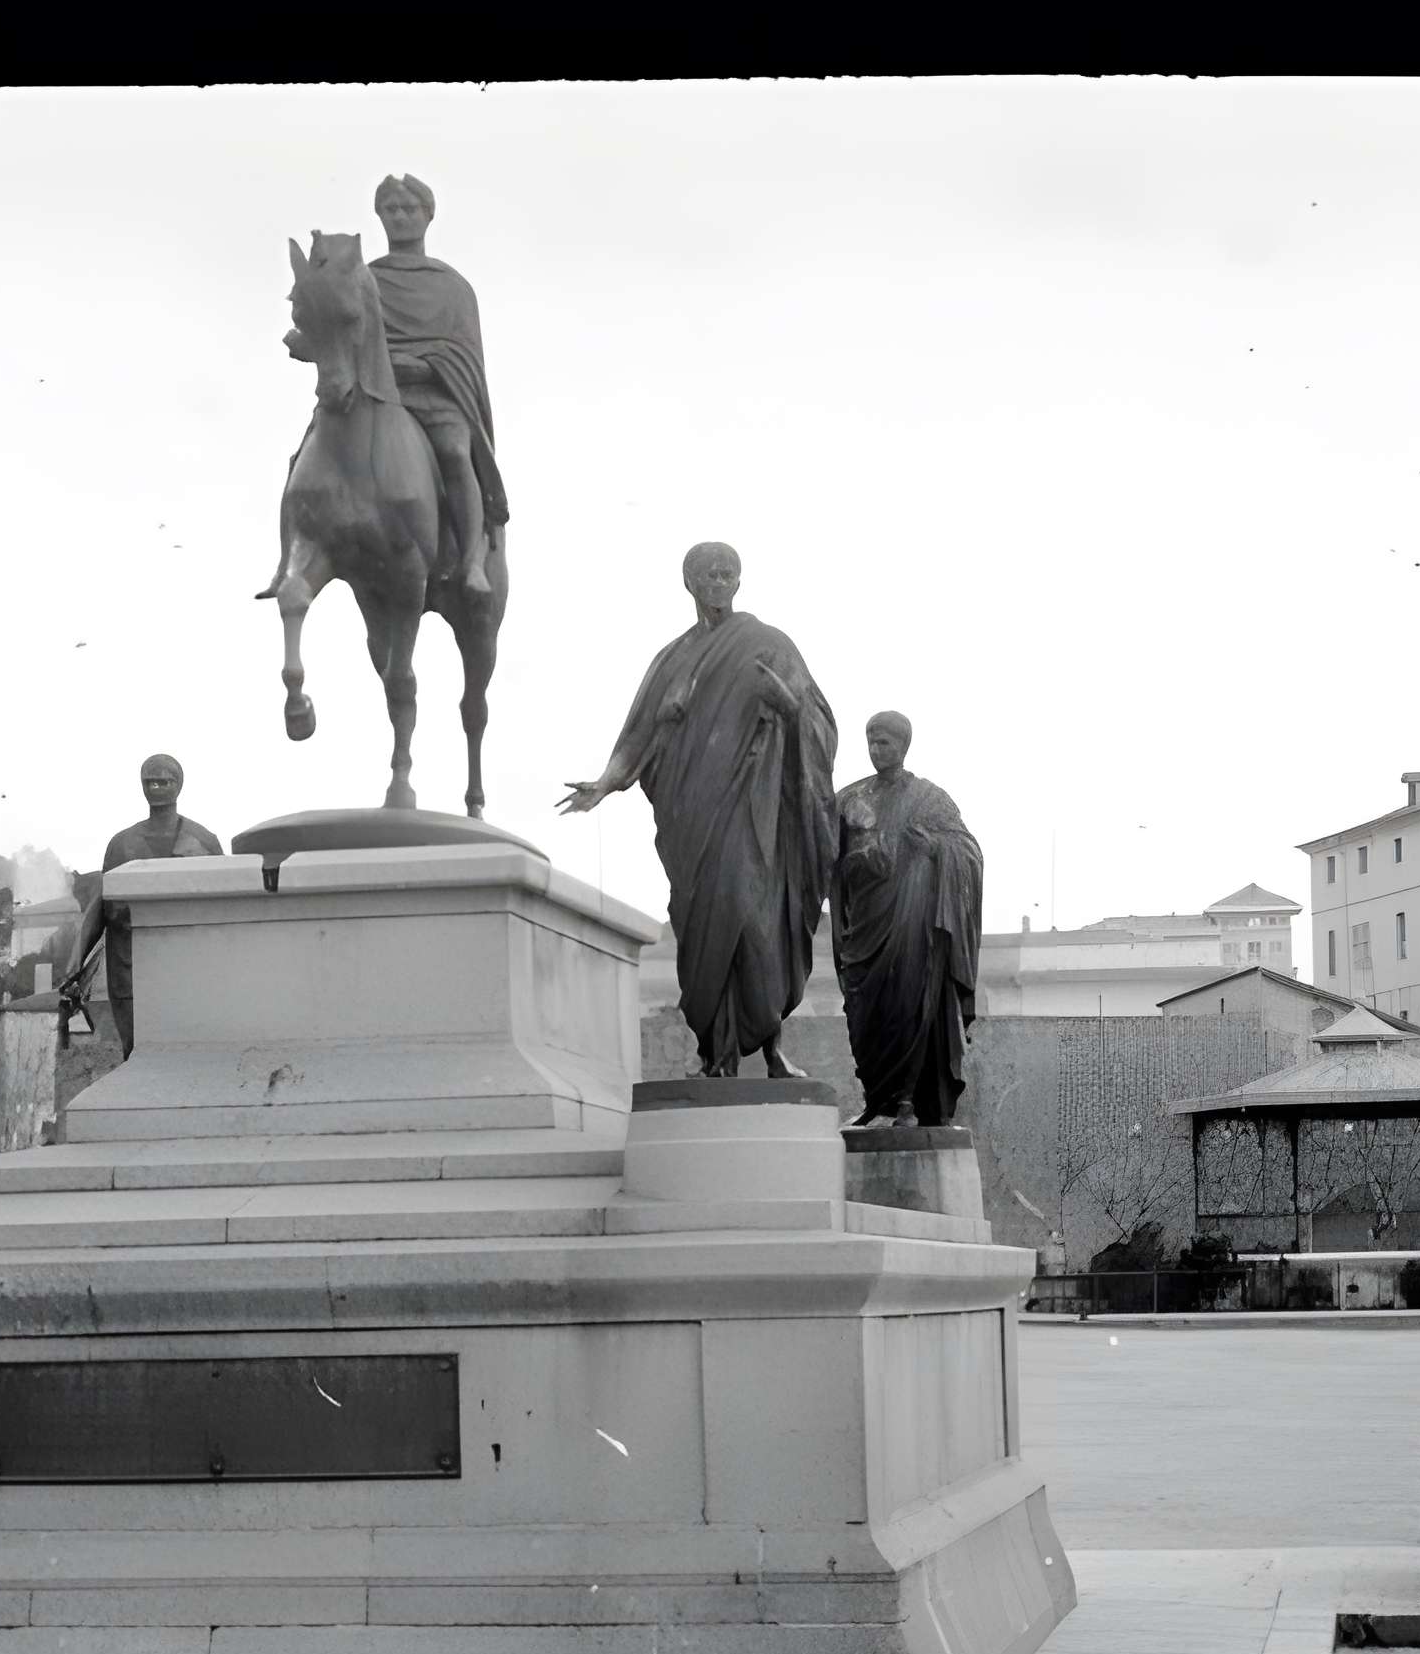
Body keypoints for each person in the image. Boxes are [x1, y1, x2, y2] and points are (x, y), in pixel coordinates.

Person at [559, 543, 838, 1076]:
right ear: (689, 582)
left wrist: (789, 706)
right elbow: (639, 733)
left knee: (754, 919)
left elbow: (819, 722)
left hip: (751, 810)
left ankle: (773, 1050)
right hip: (689, 815)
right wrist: (605, 783)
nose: (719, 582)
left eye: (728, 574)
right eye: (708, 574)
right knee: (698, 927)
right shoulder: (672, 659)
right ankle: (715, 1054)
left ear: (740, 581)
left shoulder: (768, 644)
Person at [830, 712, 984, 1126]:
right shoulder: (848, 800)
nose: (878, 750)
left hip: (911, 928)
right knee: (862, 1014)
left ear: (904, 746)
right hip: (863, 926)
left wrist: (934, 847)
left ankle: (905, 1102)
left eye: (885, 743)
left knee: (908, 1009)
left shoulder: (930, 799)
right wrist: (860, 860)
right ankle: (874, 1099)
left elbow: (968, 852)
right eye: (872, 742)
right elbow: (825, 858)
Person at [369, 174, 506, 596]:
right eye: (391, 209)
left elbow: (462, 352)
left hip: (434, 395)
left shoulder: (451, 285)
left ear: (428, 216)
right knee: (313, 449)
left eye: (409, 209)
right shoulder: (364, 279)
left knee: (452, 450)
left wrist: (428, 366)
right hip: (376, 393)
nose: (400, 217)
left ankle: (471, 561)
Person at [60, 755, 224, 1058]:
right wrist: (75, 964)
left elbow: (223, 911)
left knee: (193, 1050)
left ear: (180, 785)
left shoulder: (204, 842)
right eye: (151, 781)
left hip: (190, 963)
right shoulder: (121, 844)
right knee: (137, 1052)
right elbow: (101, 904)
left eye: (165, 781)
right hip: (130, 964)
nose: (158, 787)